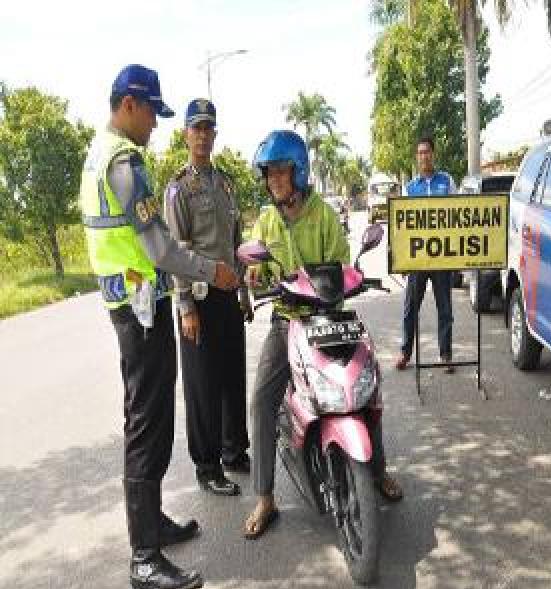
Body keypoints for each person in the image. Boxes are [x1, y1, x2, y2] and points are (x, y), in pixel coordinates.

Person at [81, 65, 239, 589]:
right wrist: (212, 272)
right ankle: (145, 559)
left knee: (148, 418)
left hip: (132, 303)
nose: (155, 124)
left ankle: (153, 526)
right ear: (130, 103)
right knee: (147, 426)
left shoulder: (98, 152)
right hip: (140, 310)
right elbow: (160, 247)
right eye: (152, 112)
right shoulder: (123, 161)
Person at [242, 130, 403, 540]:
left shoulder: (324, 216)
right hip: (287, 321)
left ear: (299, 172)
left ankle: (377, 470)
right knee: (261, 400)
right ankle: (265, 497)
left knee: (367, 387)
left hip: (329, 317)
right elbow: (256, 260)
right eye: (269, 174)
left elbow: (343, 265)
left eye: (281, 172)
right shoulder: (266, 220)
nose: (275, 180)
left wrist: (353, 278)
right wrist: (256, 272)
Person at [164, 98, 251, 496]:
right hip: (198, 299)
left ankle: (233, 450)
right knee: (203, 386)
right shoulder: (178, 188)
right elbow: (176, 252)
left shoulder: (225, 184)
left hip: (228, 294)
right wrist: (185, 306)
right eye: (196, 128)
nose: (202, 135)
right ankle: (207, 465)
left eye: (208, 128)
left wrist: (244, 292)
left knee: (232, 375)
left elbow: (235, 245)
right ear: (186, 134)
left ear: (215, 134)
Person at [395, 134, 457, 373]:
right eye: (420, 153)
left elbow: (458, 218)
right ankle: (405, 352)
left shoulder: (447, 182)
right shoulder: (409, 188)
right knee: (410, 308)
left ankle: (446, 354)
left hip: (442, 258)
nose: (424, 156)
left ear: (433, 154)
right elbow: (402, 227)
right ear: (417, 157)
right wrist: (402, 260)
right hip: (417, 259)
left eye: (427, 152)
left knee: (445, 309)